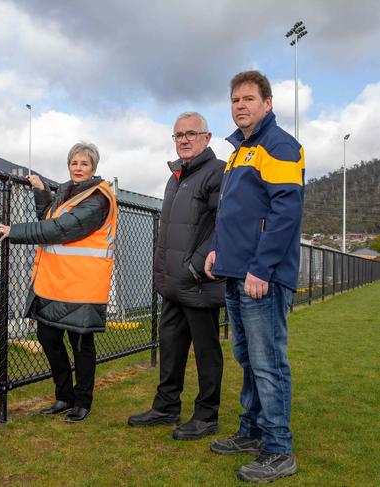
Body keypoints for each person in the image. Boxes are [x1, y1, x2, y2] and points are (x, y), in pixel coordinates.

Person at [204, 71, 304, 483]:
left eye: (248, 98)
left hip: (260, 276)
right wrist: (216, 249)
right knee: (248, 359)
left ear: (267, 102)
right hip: (235, 271)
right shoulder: (240, 150)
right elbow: (232, 211)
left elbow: (286, 213)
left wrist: (261, 268)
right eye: (234, 100)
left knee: (267, 362)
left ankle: (279, 449)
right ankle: (251, 431)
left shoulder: (279, 145)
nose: (240, 105)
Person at [0, 142, 117, 422]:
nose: (78, 167)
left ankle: (83, 401)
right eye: (74, 162)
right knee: (48, 338)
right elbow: (49, 218)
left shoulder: (98, 198)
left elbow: (63, 228)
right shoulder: (64, 191)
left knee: (81, 345)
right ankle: (64, 396)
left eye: (84, 163)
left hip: (82, 285)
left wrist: (16, 231)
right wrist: (41, 191)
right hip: (55, 282)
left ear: (94, 167)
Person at [127, 112, 225, 440]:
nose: (183, 139)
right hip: (173, 285)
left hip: (199, 283)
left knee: (207, 351)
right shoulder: (175, 178)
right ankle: (166, 406)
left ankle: (206, 416)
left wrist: (194, 267)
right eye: (178, 135)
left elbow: (223, 226)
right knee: (170, 347)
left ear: (207, 138)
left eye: (191, 133)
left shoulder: (217, 173)